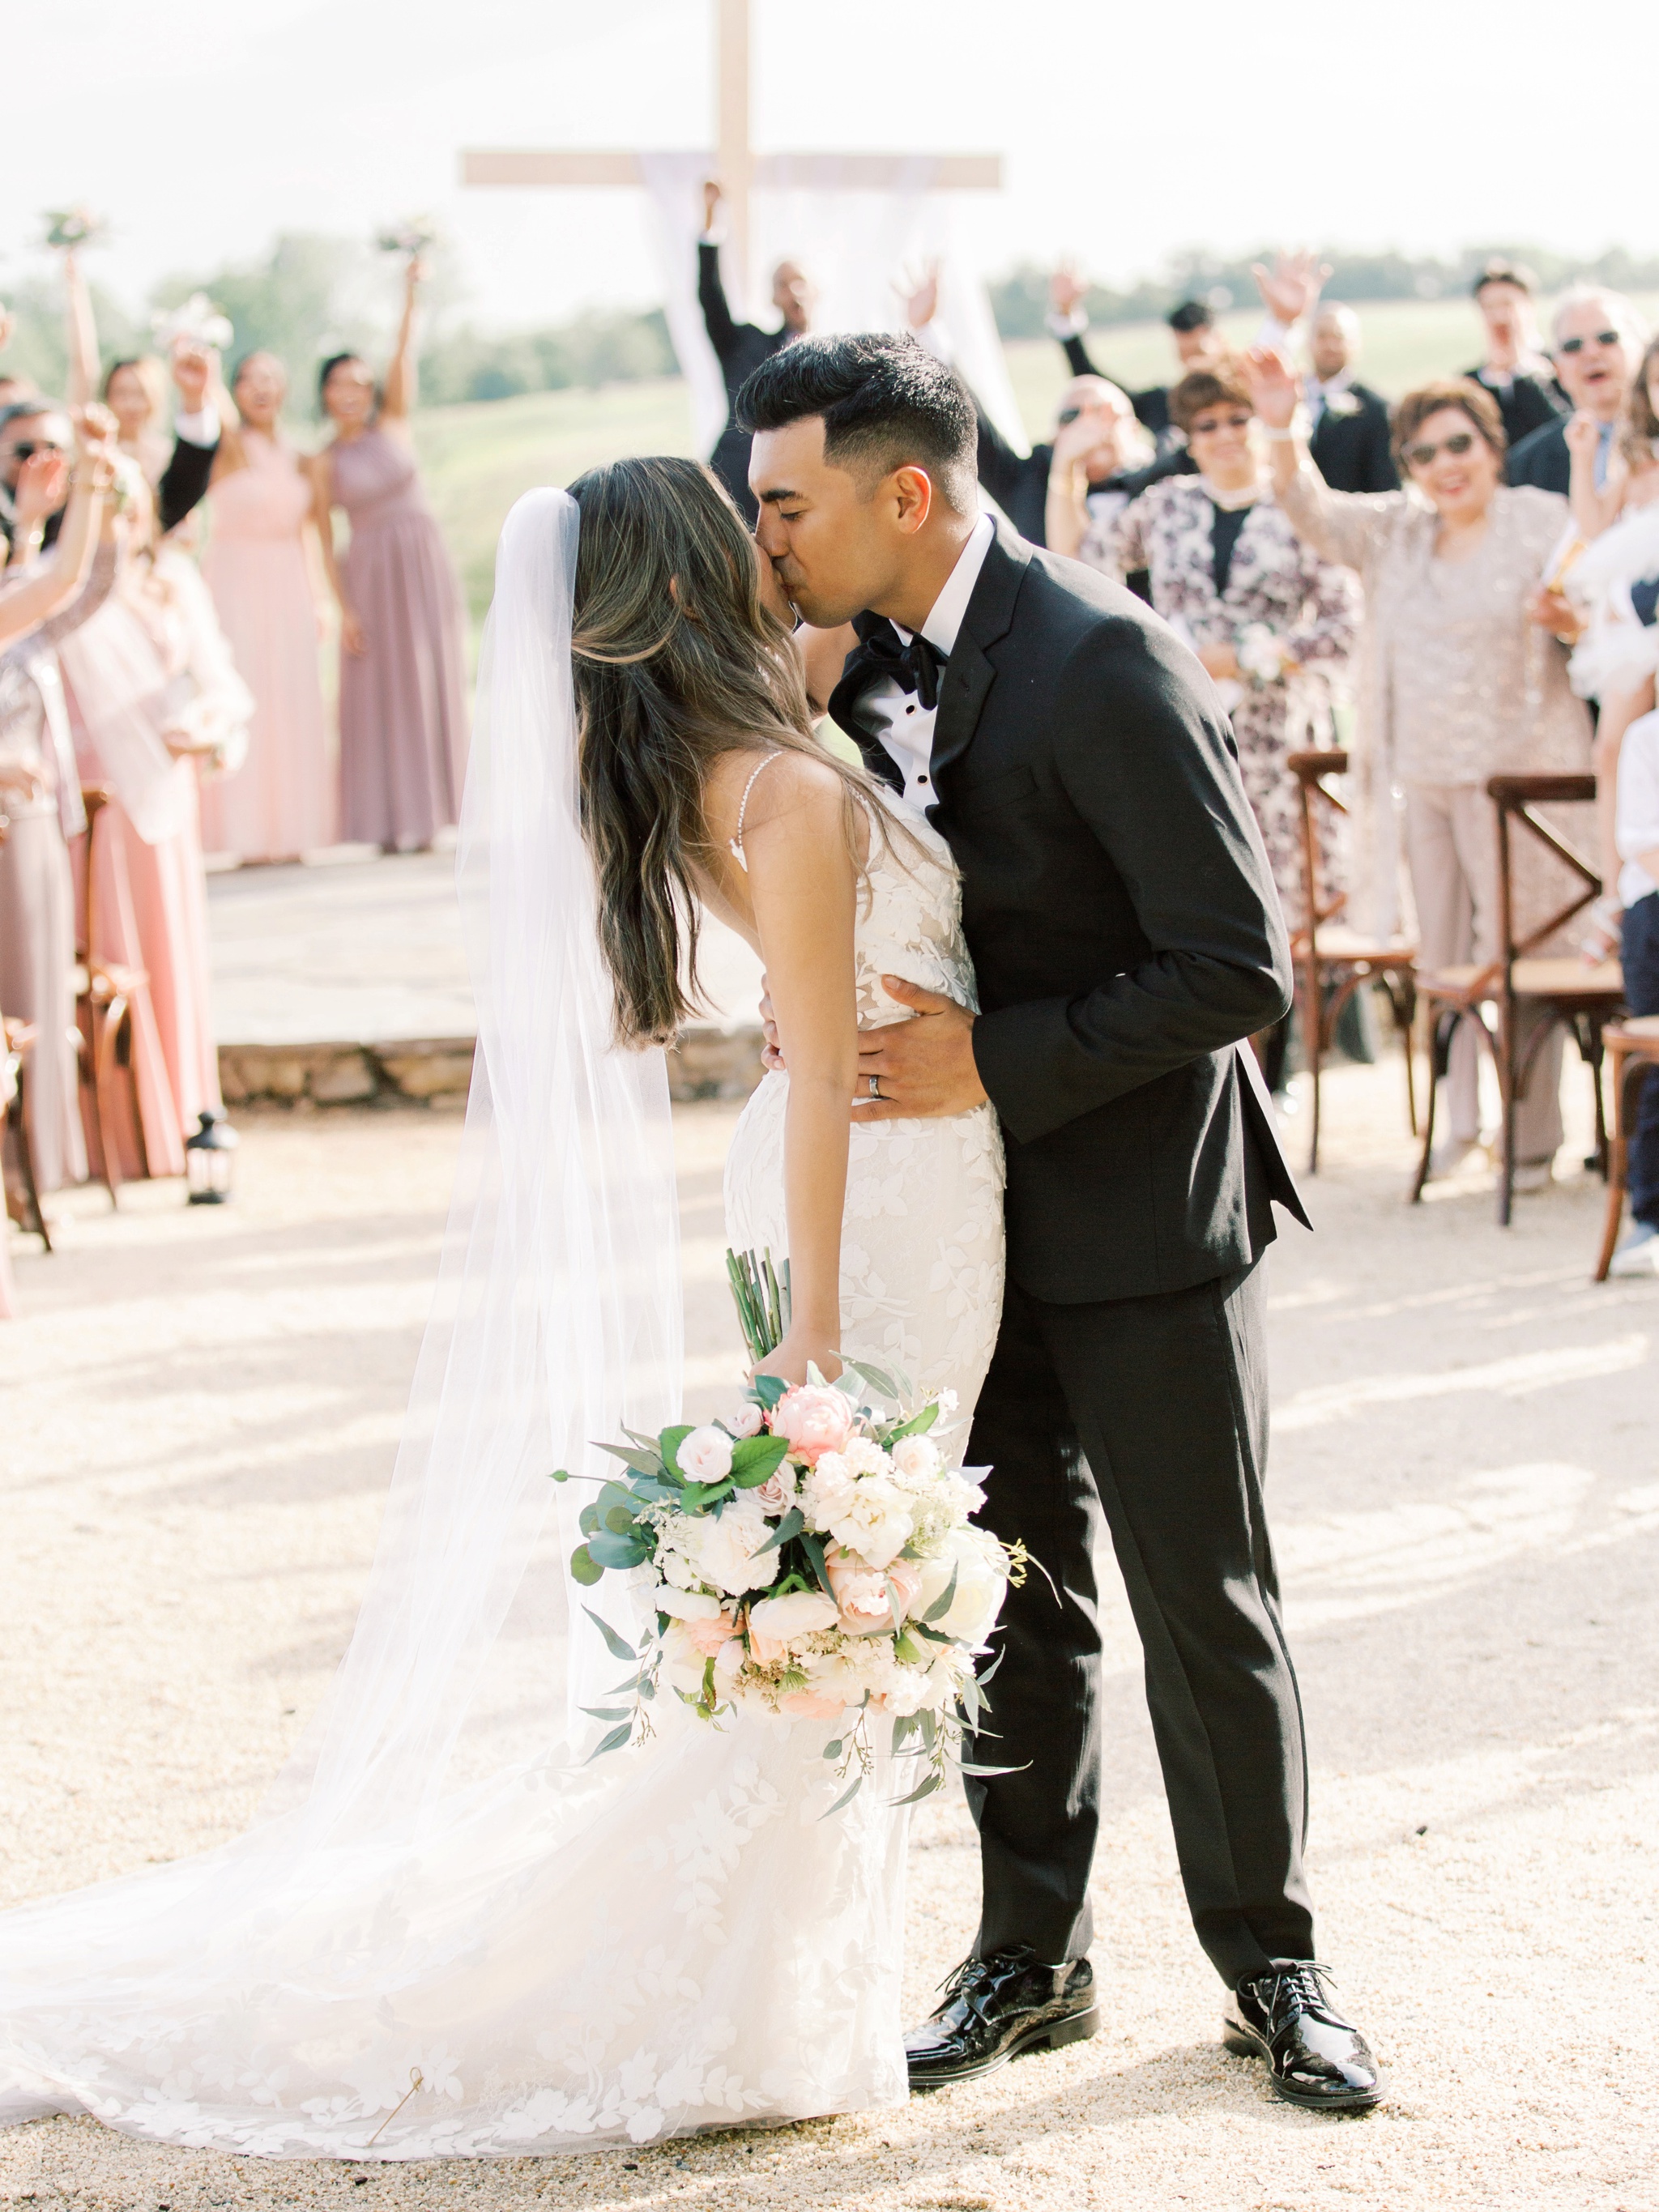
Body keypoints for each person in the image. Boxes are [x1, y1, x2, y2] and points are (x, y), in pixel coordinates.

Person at [0, 457, 1004, 2152]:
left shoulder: (714, 764)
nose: (769, 544)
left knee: (825, 1587)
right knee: (835, 1572)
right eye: (741, 529)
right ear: (682, 581)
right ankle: (743, 1997)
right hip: (872, 1200)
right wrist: (813, 1336)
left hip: (873, 1178)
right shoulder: (784, 789)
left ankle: (787, 1987)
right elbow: (828, 1077)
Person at [743, 332, 1384, 2111]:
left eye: (786, 503)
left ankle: (1274, 1965)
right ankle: (1031, 1957)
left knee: (1203, 1599)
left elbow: (1233, 968)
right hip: (962, 1224)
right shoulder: (842, 663)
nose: (763, 533)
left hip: (1147, 1210)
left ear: (903, 494)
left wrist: (989, 1062)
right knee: (1005, 1595)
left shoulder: (1105, 657)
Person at [1247, 352, 1593, 1187]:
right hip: (1424, 781)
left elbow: (1592, 612)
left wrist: (1569, 619)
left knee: (1519, 954)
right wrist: (1281, 426)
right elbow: (1310, 510)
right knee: (1445, 958)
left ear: (1492, 446)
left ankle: (1531, 1140)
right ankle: (1460, 1124)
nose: (1445, 465)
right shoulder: (1396, 531)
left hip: (1523, 787)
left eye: (1458, 444)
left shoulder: (1541, 519)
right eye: (1424, 453)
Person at [1104, 360, 1360, 965]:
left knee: (1289, 897)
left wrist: (1252, 657)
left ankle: (1298, 1024)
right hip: (1183, 725)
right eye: (1207, 424)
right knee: (1197, 890)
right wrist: (1066, 466)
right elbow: (1083, 559)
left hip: (1278, 735)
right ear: (1188, 438)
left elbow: (1347, 623)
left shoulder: (1297, 506)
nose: (1224, 435)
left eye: (1238, 419)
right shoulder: (1166, 505)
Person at [56, 480, 250, 1181]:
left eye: (130, 502)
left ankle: (179, 1121)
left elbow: (222, 684)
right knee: (104, 954)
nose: (121, 516)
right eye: (105, 502)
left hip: (164, 796)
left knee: (167, 951)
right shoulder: (61, 587)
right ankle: (105, 1135)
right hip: (91, 804)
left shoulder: (174, 579)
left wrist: (207, 725)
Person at [306, 255, 468, 854]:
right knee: (380, 693)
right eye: (338, 385)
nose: (350, 393)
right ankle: (386, 822)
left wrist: (410, 293)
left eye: (359, 383)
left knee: (427, 679)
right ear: (324, 394)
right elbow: (323, 539)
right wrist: (343, 607)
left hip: (422, 565)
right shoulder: (322, 461)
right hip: (371, 575)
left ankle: (435, 815)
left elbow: (404, 353)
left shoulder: (395, 422)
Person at [0, 439, 119, 1223]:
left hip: (31, 825)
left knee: (35, 995)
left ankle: (34, 1165)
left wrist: (93, 488)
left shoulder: (15, 615)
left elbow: (67, 582)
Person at [197, 352, 333, 863]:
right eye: (250, 380)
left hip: (289, 586)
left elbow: (310, 537)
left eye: (271, 379)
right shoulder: (228, 446)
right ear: (234, 389)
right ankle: (245, 834)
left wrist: (319, 599)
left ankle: (292, 831)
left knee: (292, 700)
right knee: (245, 693)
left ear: (285, 388)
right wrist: (207, 366)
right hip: (234, 584)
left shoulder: (302, 458)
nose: (261, 388)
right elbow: (214, 410)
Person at [697, 178, 814, 522]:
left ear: (816, 291)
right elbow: (710, 297)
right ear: (773, 298)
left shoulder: (844, 361)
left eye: (800, 282)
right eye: (783, 285)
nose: (794, 291)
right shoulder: (744, 344)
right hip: (735, 491)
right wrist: (710, 221)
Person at [1048, 266, 1221, 452]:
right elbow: (1096, 383)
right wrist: (1066, 314)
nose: (1196, 365)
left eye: (1200, 353)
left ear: (1220, 341)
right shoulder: (1164, 403)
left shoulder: (1243, 392)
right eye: (1185, 354)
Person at [1605, 700, 1659, 1274]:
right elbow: (1645, 846)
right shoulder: (1647, 738)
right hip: (1655, 914)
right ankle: (1651, 1217)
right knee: (1655, 1070)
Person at [1508, 288, 1646, 497]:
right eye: (1573, 346)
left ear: (1642, 349)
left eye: (1607, 338)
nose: (1591, 353)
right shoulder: (1527, 466)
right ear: (1557, 369)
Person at [1463, 261, 1567, 451]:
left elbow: (1565, 430)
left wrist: (1521, 373)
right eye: (1488, 307)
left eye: (1507, 304)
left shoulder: (1562, 365)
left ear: (1530, 305)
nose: (1499, 316)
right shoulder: (1469, 383)